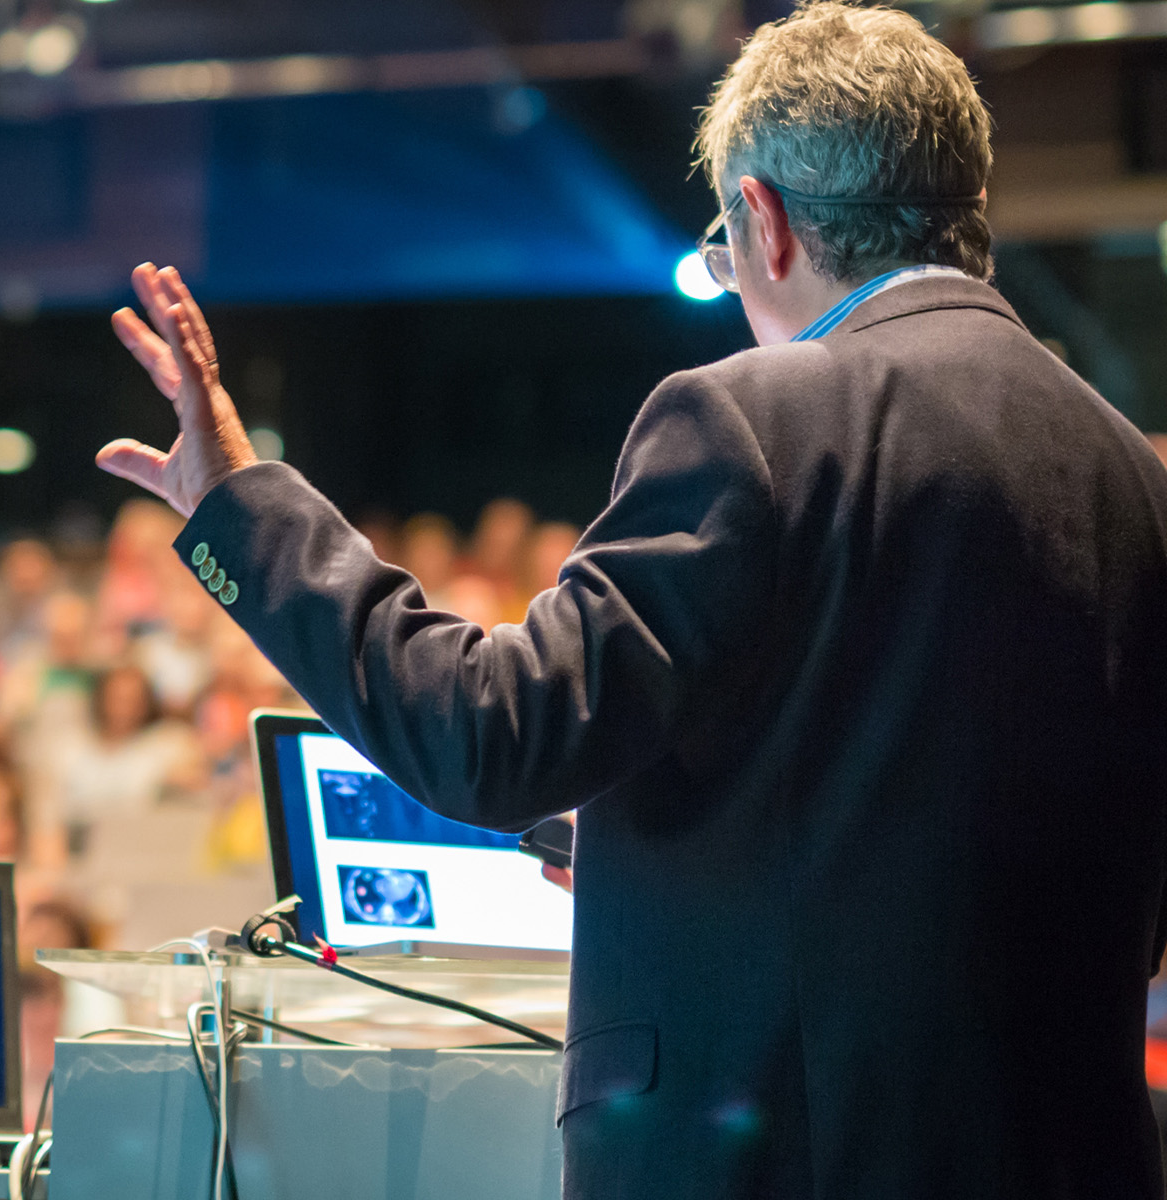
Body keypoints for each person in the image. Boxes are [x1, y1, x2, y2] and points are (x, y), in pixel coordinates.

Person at [97, 5, 1167, 1195]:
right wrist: (641, 840)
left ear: (760, 221)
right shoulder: (1132, 475)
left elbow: (491, 736)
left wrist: (239, 503)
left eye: (722, 246)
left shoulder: (758, 414)